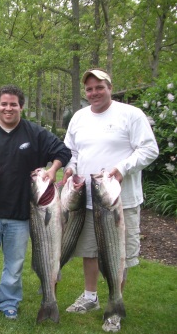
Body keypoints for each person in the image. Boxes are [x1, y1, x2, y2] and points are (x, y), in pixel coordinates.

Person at [0, 84, 71, 320]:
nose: (9, 108)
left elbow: (63, 152)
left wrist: (54, 169)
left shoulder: (35, 134)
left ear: (21, 107)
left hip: (21, 213)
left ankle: (9, 302)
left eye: (13, 104)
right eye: (4, 104)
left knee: (14, 264)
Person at [62, 68, 159, 332]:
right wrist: (69, 168)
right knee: (89, 252)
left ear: (109, 87)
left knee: (117, 256)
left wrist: (123, 168)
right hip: (87, 201)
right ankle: (90, 297)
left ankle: (114, 305)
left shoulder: (130, 114)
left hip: (120, 201)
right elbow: (70, 150)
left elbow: (150, 149)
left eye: (99, 87)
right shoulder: (79, 117)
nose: (94, 93)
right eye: (89, 89)